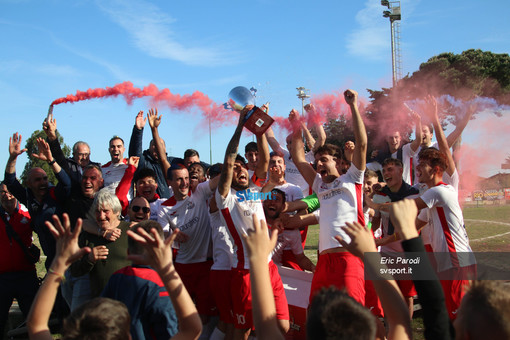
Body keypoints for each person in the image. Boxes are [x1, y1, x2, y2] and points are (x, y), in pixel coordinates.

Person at [27, 213, 202, 340]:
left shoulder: (117, 276)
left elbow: (36, 325)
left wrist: (59, 263)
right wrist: (166, 268)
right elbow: (192, 328)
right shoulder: (156, 284)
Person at [216, 105, 289, 340]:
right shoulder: (227, 198)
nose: (241, 171)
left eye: (242, 167)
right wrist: (239, 126)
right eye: (235, 169)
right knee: (243, 330)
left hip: (269, 268)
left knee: (283, 326)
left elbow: (265, 160)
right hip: (245, 271)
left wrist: (258, 128)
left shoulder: (254, 191)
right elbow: (228, 162)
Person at [290, 89, 368, 304]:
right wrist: (296, 127)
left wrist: (353, 106)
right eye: (317, 162)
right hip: (324, 260)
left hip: (349, 257)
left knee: (353, 316)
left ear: (338, 161)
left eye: (324, 159)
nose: (319, 164)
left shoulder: (353, 178)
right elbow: (298, 158)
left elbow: (361, 144)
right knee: (318, 315)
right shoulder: (318, 184)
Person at [102, 220, 178, 340]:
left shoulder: (116, 277)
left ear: (128, 252)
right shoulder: (160, 284)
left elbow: (103, 315)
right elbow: (169, 330)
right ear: (160, 250)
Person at [4, 134, 71, 269]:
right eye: (37, 180)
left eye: (45, 178)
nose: (43, 183)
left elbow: (67, 184)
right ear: (28, 184)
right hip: (51, 260)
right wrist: (12, 158)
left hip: (68, 258)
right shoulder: (29, 197)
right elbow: (10, 182)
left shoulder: (54, 193)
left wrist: (51, 160)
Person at [70, 190, 131, 299]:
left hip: (128, 302)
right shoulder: (88, 235)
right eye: (97, 211)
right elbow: (75, 270)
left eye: (106, 211)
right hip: (100, 304)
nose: (101, 216)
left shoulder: (131, 231)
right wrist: (90, 259)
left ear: (117, 211)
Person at [0, 183, 39, 336]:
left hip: (25, 274)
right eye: (3, 192)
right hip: (2, 277)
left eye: (9, 191)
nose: (7, 195)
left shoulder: (27, 214)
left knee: (33, 318)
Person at [265, 104, 326, 197]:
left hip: (304, 202)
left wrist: (314, 114)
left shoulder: (309, 158)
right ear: (287, 146)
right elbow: (270, 138)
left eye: (294, 142)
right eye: (289, 142)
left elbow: (322, 138)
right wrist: (265, 116)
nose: (292, 145)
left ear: (302, 144)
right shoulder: (284, 157)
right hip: (284, 202)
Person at [43, 113, 101, 194]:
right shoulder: (68, 165)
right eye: (81, 154)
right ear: (74, 154)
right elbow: (58, 155)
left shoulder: (97, 168)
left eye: (87, 154)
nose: (84, 157)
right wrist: (52, 137)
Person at [263, 188, 315, 272]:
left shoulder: (290, 230)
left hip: (273, 272)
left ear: (284, 206)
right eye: (269, 198)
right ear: (264, 202)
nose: (272, 202)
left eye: (277, 200)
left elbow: (301, 258)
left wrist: (314, 268)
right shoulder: (254, 220)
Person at [367, 108, 422, 185]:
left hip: (406, 194)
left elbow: (419, 140)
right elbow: (365, 168)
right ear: (387, 139)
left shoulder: (406, 150)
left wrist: (418, 122)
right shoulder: (381, 156)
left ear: (400, 138)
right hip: (389, 195)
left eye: (396, 137)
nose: (394, 140)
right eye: (391, 137)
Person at [128, 110, 174, 199]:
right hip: (146, 208)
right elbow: (135, 154)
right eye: (154, 145)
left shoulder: (171, 162)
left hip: (167, 209)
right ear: (149, 148)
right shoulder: (144, 162)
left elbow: (191, 161)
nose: (157, 147)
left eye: (160, 145)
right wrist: (138, 130)